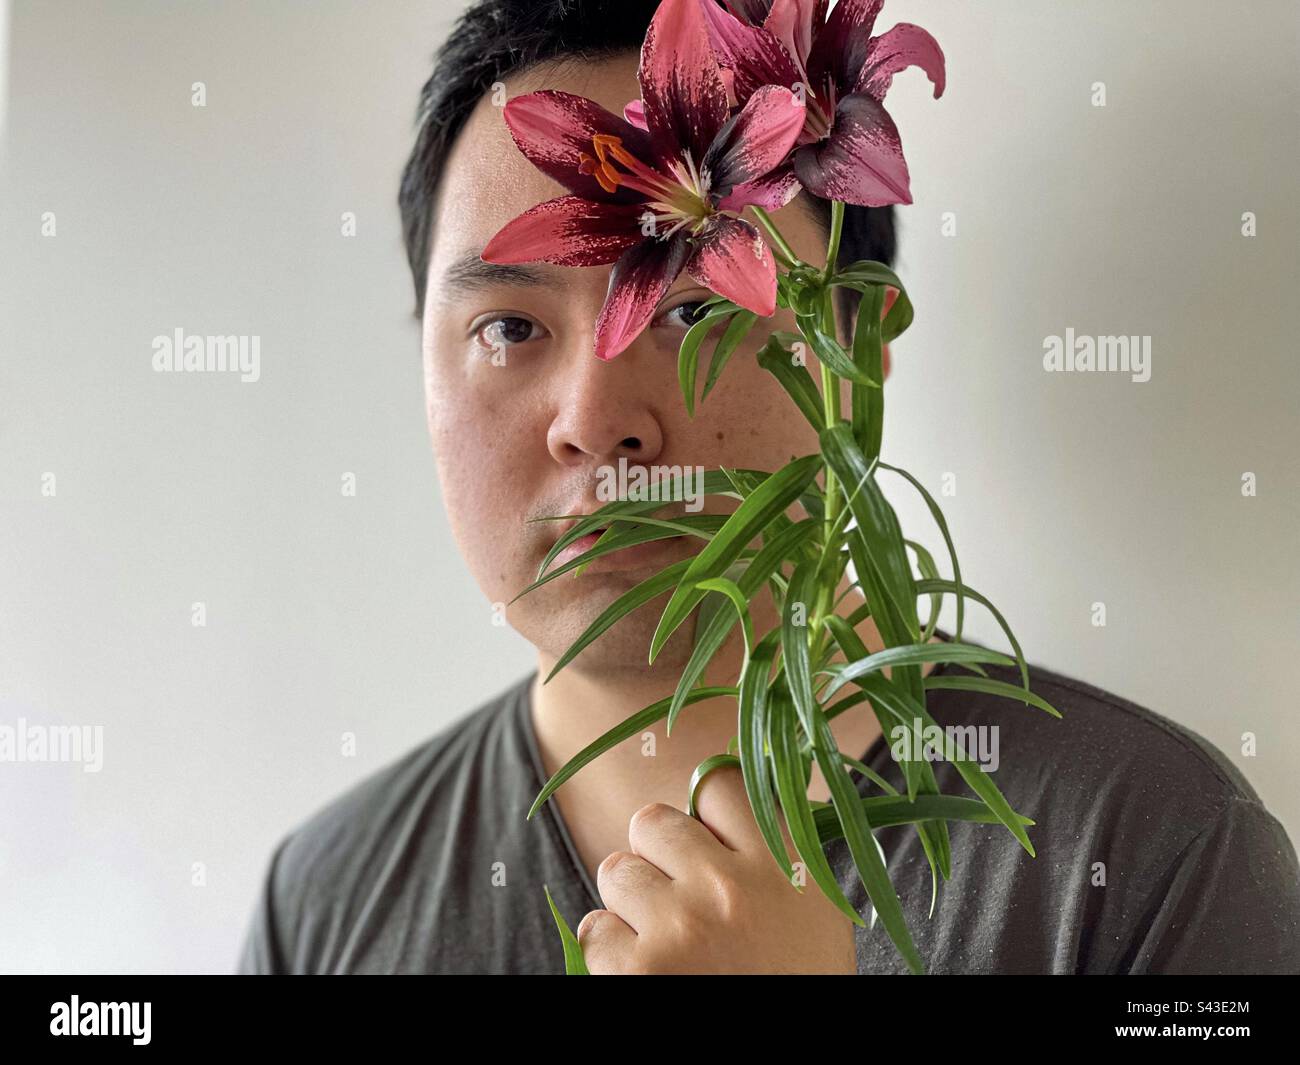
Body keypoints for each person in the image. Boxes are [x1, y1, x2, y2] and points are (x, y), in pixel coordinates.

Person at [237, 0, 1300, 975]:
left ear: (862, 347)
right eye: (508, 328)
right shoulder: (323, 905)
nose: (595, 421)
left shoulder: (1153, 855)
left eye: (697, 311)